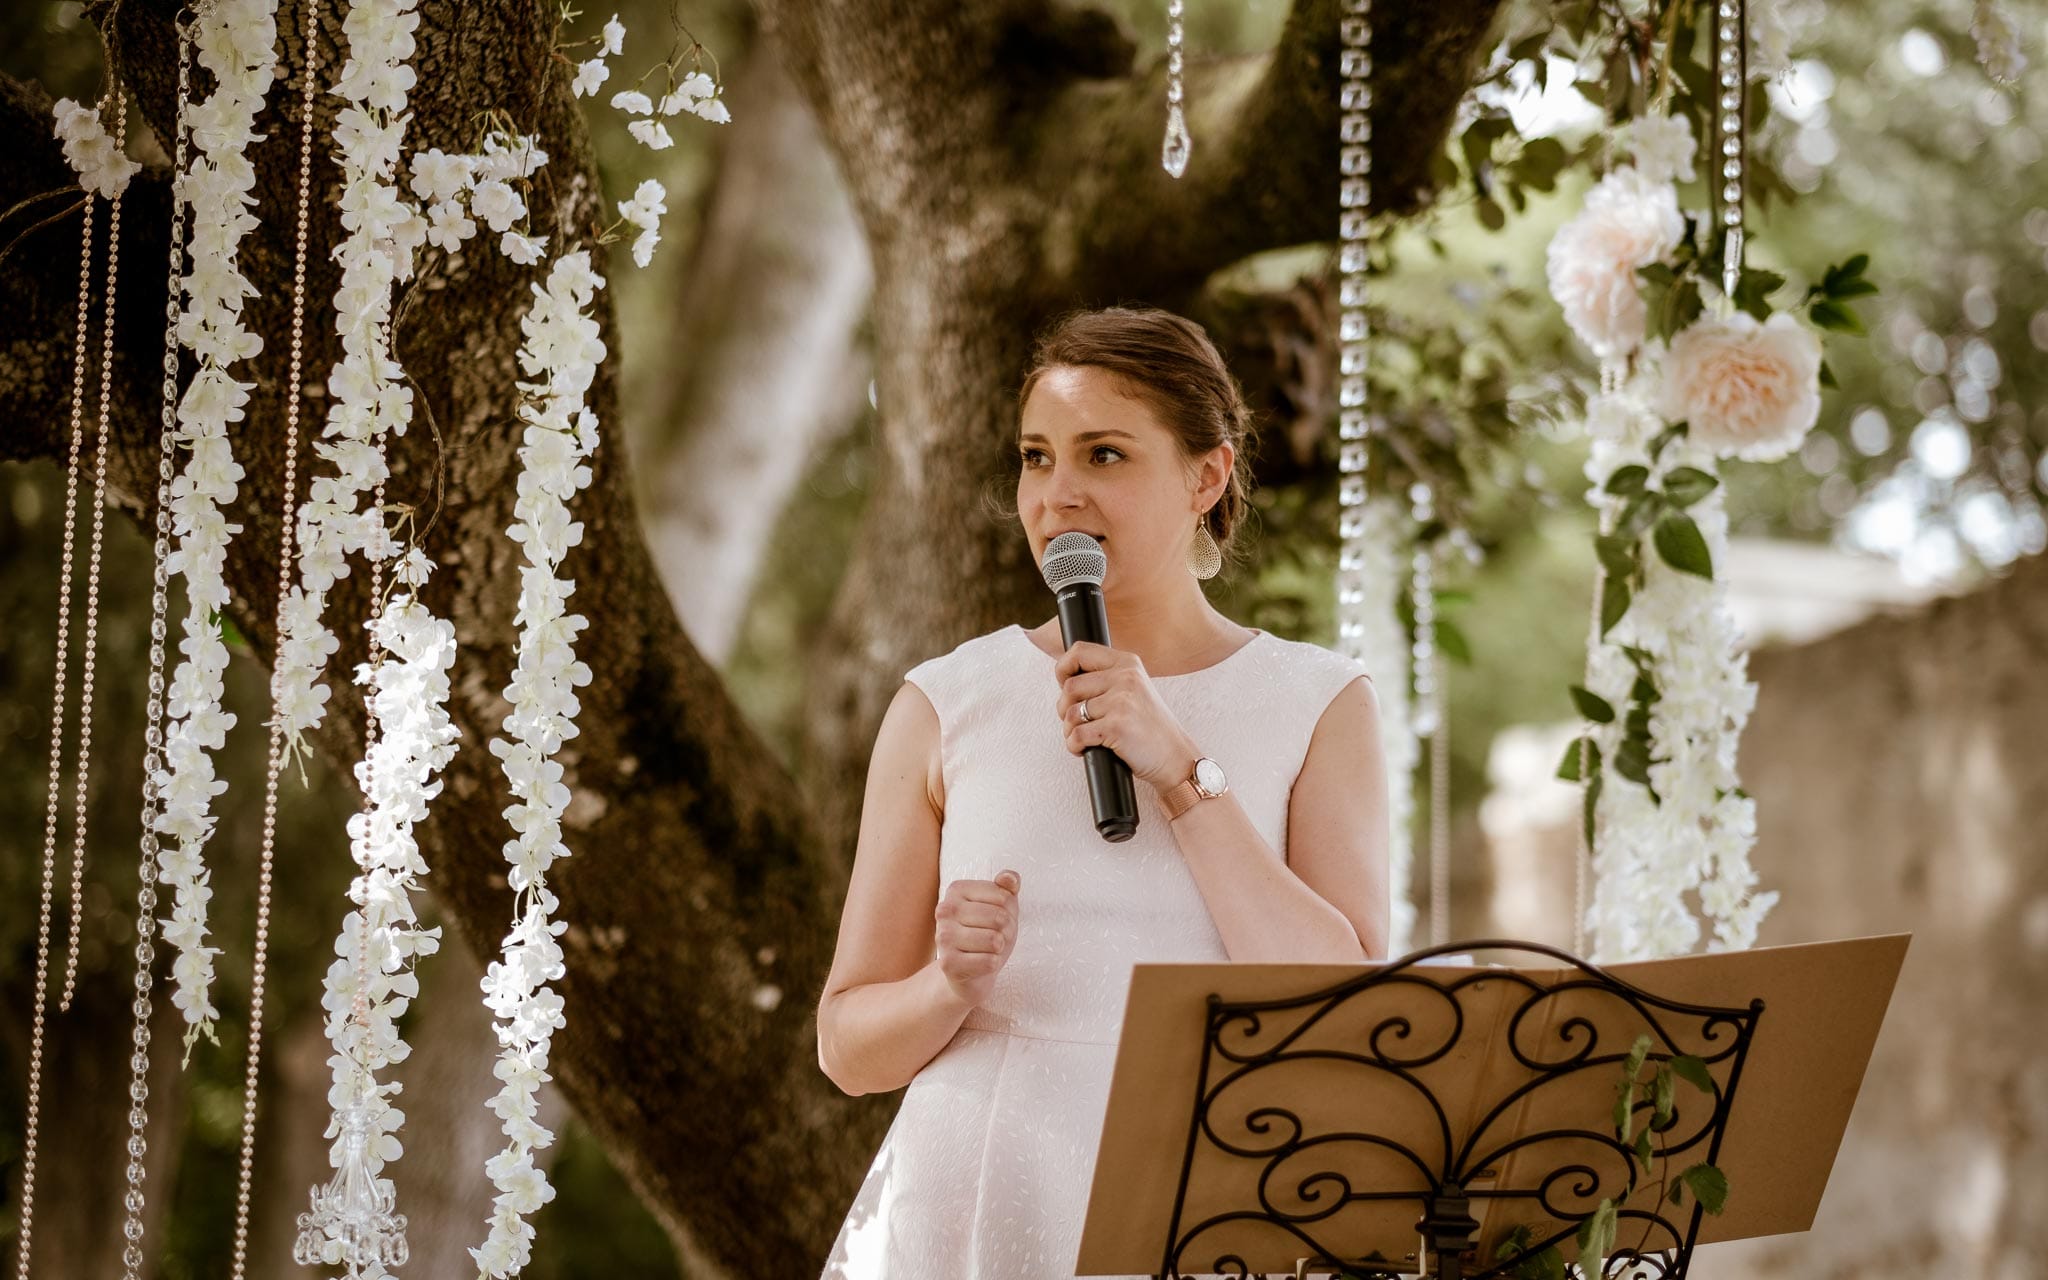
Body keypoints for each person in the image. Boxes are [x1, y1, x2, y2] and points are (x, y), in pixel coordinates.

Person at [815, 306, 1391, 1279]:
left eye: (1104, 454)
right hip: (976, 1198)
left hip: (1213, 1192)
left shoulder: (1317, 701)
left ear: (1203, 476)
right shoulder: (945, 702)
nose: (1057, 493)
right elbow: (848, 1047)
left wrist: (1179, 768)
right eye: (1035, 457)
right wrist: (946, 984)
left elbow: (1341, 1002)